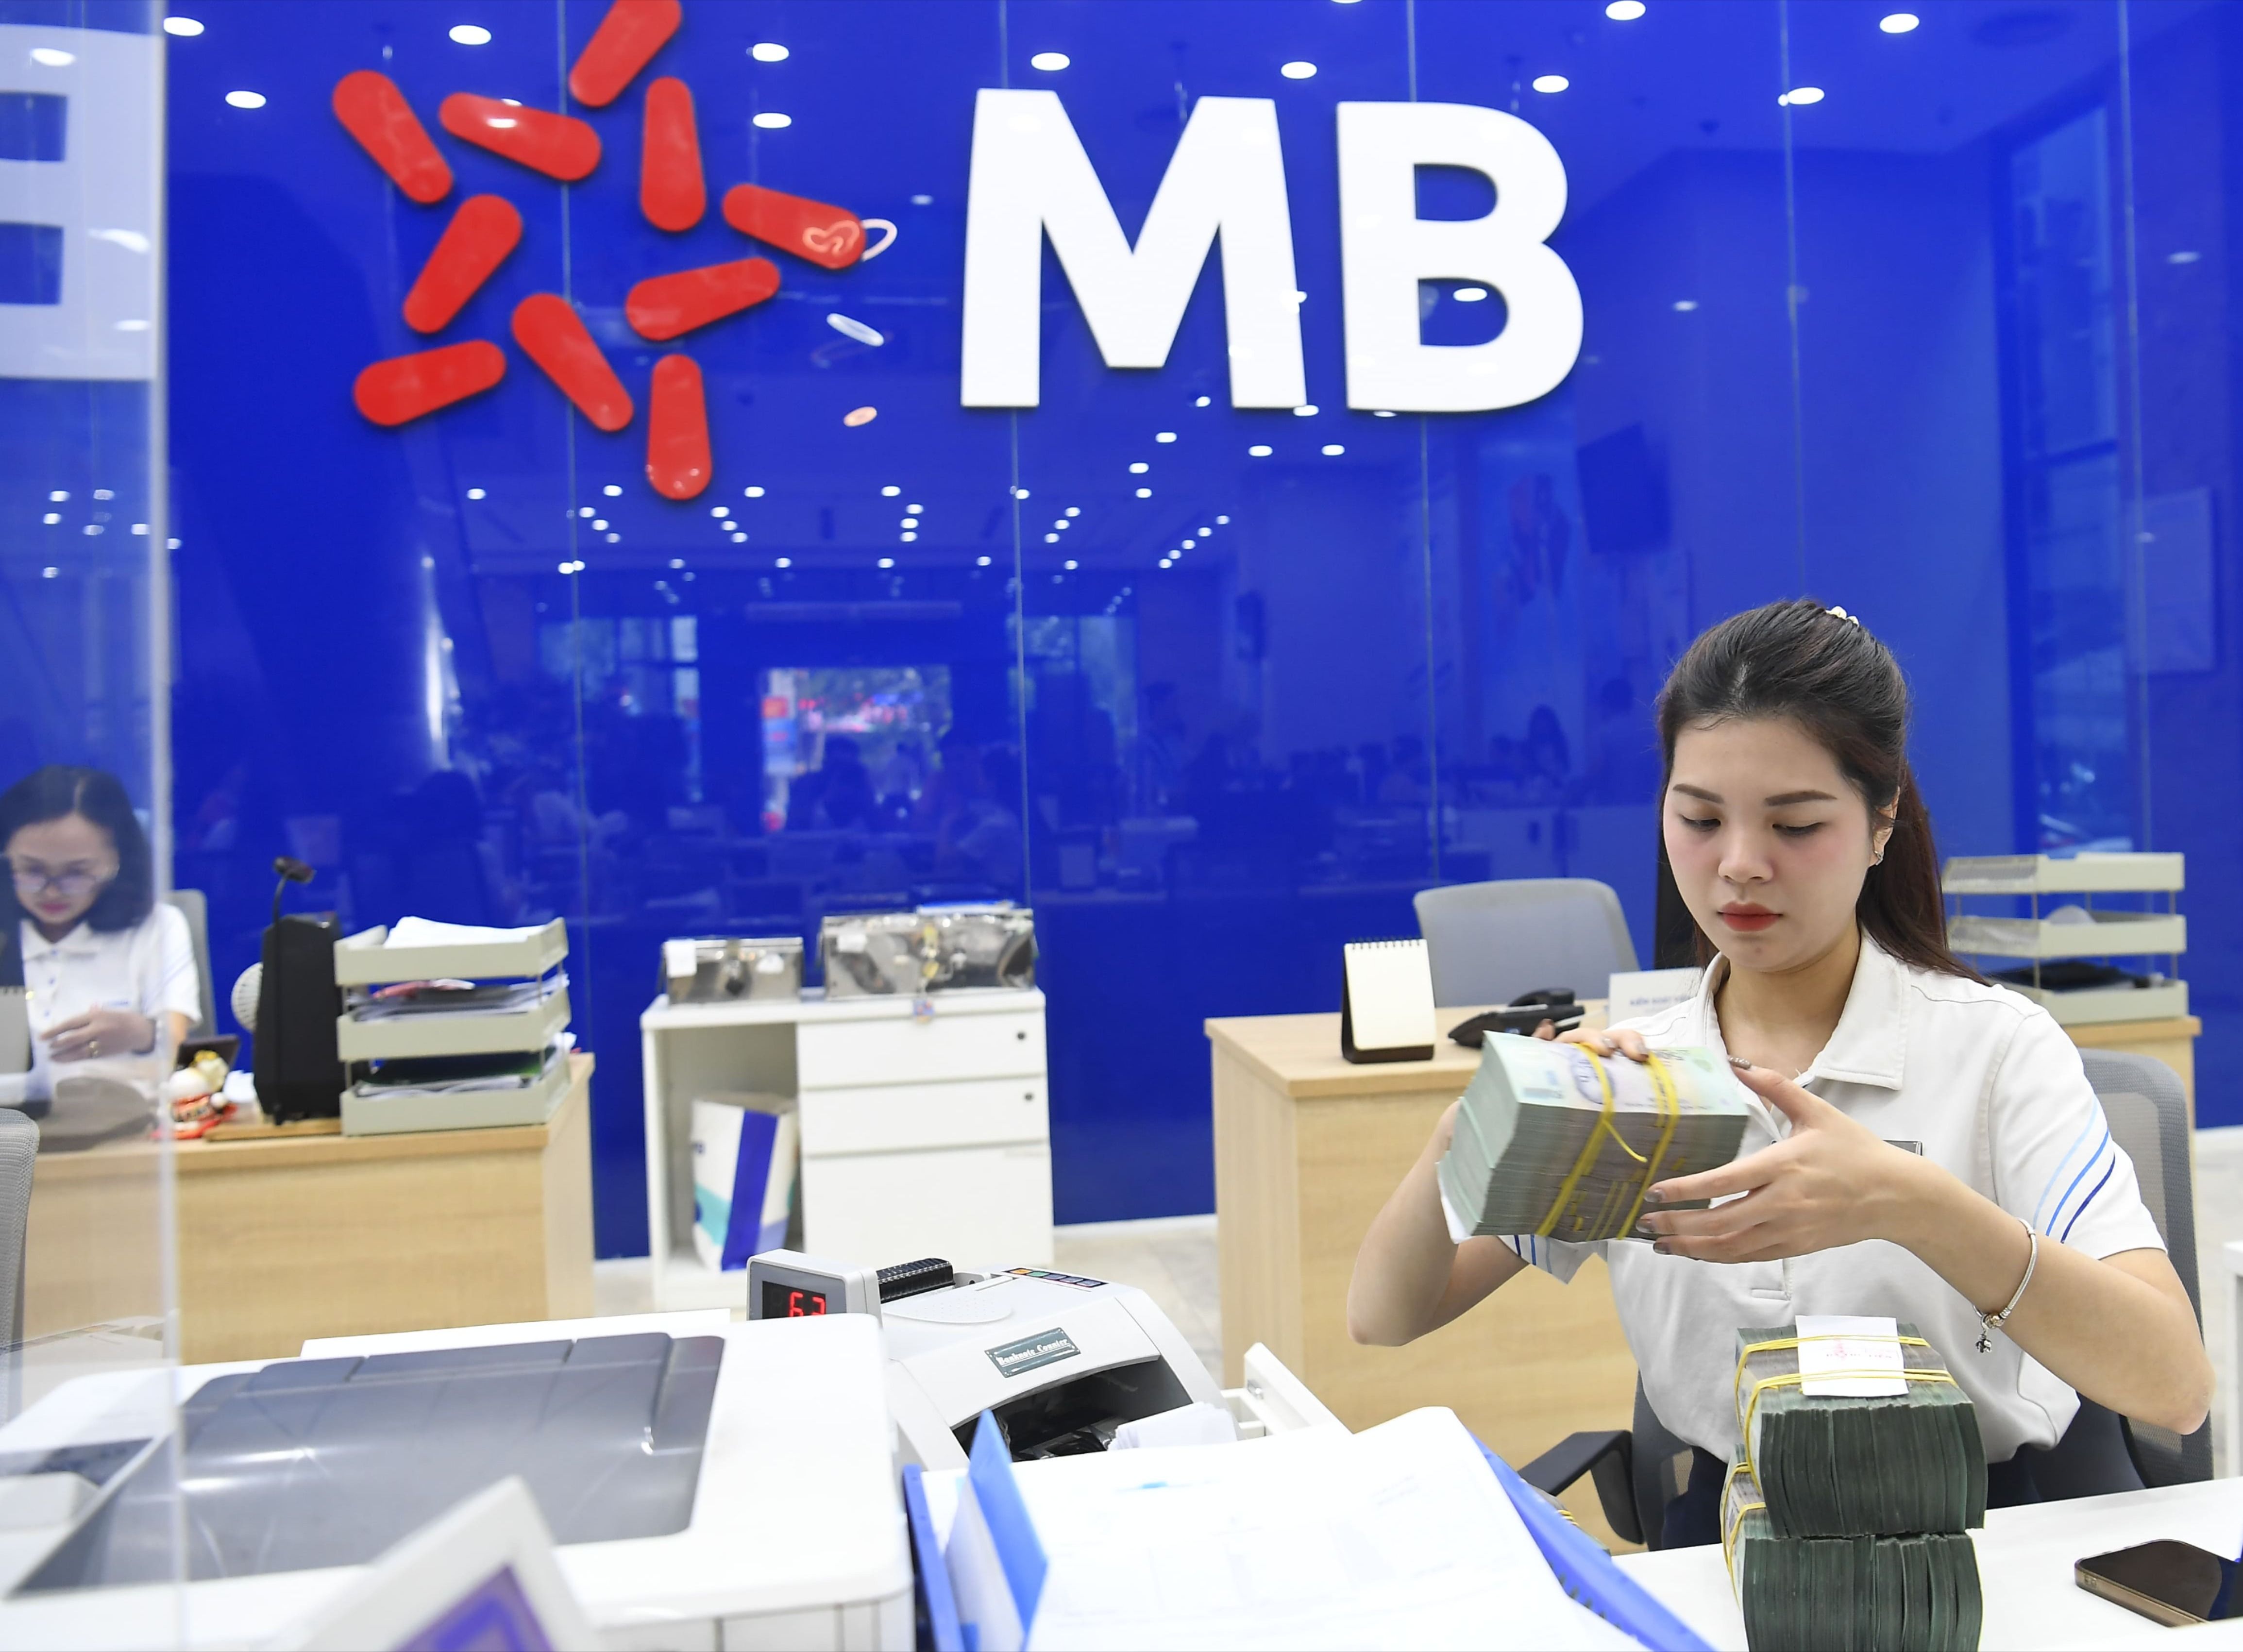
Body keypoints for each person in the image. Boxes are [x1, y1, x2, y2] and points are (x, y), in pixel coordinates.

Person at [1348, 600, 2209, 1547]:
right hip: (1723, 1540)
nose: (1738, 865)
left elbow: (2171, 1387)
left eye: (1794, 825)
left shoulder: (1996, 1049)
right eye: (1698, 818)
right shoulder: (1637, 1077)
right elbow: (1385, 1315)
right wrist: (1462, 1135)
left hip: (1974, 1538)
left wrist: (1913, 1204)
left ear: (1879, 824)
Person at [0, 766, 200, 1103]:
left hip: (128, 1122)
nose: (52, 892)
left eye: (77, 873)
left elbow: (178, 1047)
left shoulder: (157, 926)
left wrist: (142, 1034)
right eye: (32, 871)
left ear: (117, 861)